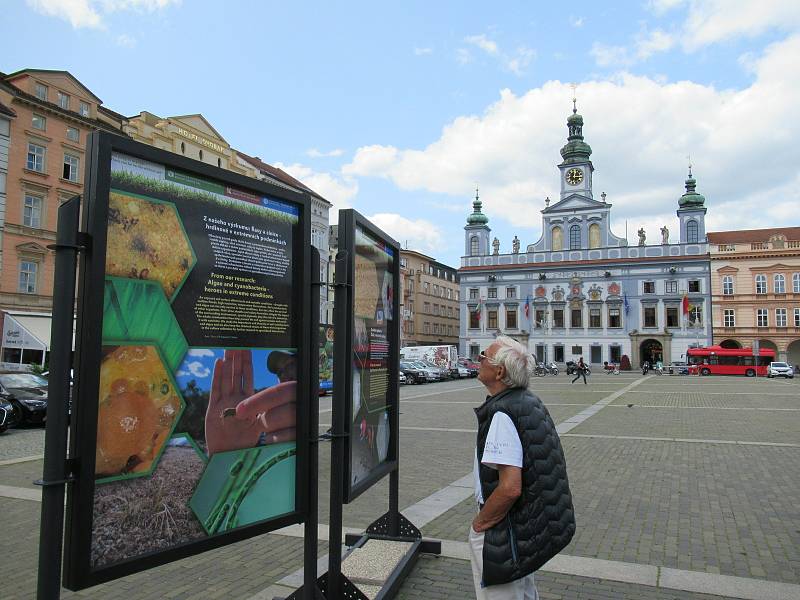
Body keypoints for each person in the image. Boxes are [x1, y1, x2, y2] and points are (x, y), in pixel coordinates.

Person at [471, 336, 575, 599]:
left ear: (499, 371)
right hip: (527, 526)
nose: (479, 359)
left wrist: (480, 523)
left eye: (484, 355)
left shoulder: (502, 413)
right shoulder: (527, 401)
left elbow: (509, 488)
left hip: (506, 528)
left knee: (501, 593)